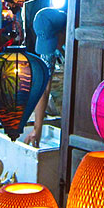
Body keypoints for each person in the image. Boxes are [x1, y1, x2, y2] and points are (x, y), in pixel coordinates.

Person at [25, 8, 66, 147]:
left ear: (63, 31)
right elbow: (44, 87)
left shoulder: (80, 43)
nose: (53, 47)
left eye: (53, 41)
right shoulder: (51, 52)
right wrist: (37, 129)